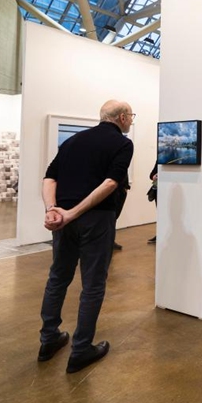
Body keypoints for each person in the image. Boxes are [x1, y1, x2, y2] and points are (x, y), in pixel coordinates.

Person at [38, 100, 134, 373]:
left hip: (64, 220)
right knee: (92, 284)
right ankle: (80, 350)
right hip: (96, 219)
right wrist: (72, 213)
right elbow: (112, 182)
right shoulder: (123, 144)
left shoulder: (73, 141)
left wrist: (53, 211)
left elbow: (49, 177)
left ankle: (48, 340)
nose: (131, 122)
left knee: (58, 277)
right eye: (131, 116)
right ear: (123, 117)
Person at [148, 162, 157, 243]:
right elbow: (151, 174)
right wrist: (154, 176)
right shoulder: (160, 159)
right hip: (159, 190)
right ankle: (159, 234)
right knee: (160, 214)